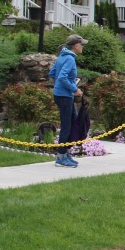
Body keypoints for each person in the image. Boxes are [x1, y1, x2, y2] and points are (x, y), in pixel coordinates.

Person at [49, 34, 87, 168]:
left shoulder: (62, 56)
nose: (82, 47)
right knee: (67, 126)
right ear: (76, 45)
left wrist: (65, 86)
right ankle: (60, 158)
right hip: (65, 96)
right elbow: (62, 77)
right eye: (81, 44)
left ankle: (65, 153)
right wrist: (74, 89)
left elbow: (52, 74)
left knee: (72, 122)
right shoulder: (70, 59)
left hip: (62, 95)